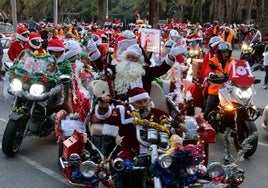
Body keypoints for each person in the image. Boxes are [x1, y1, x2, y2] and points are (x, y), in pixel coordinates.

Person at [94, 87, 188, 187]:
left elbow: (181, 129)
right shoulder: (124, 112)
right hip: (130, 152)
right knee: (121, 168)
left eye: (145, 101)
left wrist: (178, 127)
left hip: (158, 152)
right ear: (132, 103)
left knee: (176, 166)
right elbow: (105, 115)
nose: (143, 105)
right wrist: (102, 107)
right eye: (139, 102)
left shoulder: (159, 114)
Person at [87, 40, 187, 101]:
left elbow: (161, 69)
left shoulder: (145, 72)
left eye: (133, 58)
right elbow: (103, 68)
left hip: (142, 106)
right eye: (128, 57)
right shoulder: (119, 69)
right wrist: (95, 52)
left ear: (138, 60)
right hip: (120, 106)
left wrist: (171, 55)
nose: (130, 60)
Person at [203, 41, 235, 120]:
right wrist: (212, 75)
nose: (225, 54)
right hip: (216, 90)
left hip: (229, 90)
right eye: (223, 52)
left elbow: (239, 68)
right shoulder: (213, 60)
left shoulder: (232, 60)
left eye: (227, 52)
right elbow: (207, 70)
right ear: (219, 52)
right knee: (207, 113)